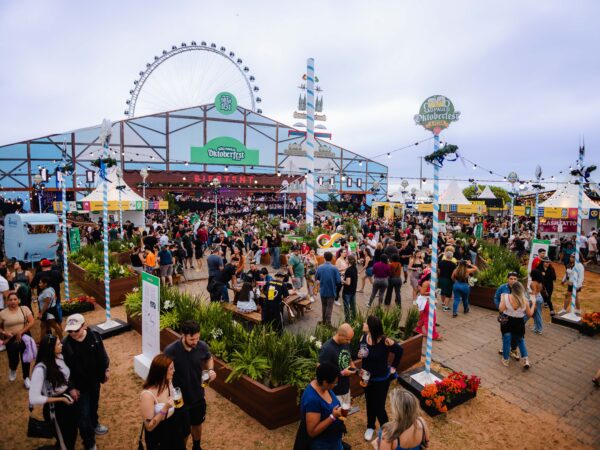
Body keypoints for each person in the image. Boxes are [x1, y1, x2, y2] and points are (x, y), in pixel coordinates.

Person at [164, 320, 216, 450]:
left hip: (198, 395)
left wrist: (210, 370)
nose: (195, 342)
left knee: (197, 423)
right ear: (183, 335)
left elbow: (209, 358)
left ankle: (196, 447)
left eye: (198, 338)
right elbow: (163, 372)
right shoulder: (171, 350)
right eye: (192, 339)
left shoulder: (202, 346)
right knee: (183, 430)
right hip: (180, 399)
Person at [61, 314, 110, 450]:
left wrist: (106, 370)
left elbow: (103, 355)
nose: (73, 333)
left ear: (84, 326)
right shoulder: (65, 345)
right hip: (78, 387)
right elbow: (63, 370)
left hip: (94, 381)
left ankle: (94, 424)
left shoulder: (94, 336)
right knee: (83, 415)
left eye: (76, 330)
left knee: (93, 405)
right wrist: (71, 387)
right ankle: (89, 443)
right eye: (70, 331)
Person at [359, 315, 403, 442]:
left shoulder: (385, 341)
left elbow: (399, 351)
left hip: (381, 380)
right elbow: (362, 353)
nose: (363, 324)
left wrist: (393, 367)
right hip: (366, 378)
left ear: (371, 327)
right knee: (369, 402)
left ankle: (387, 430)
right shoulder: (363, 338)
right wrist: (359, 354)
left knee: (379, 406)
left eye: (366, 323)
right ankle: (370, 426)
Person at [29, 334, 77, 450]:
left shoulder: (59, 357)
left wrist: (70, 389)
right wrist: (61, 399)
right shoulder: (40, 369)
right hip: (55, 408)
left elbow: (65, 377)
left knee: (72, 434)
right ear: (51, 348)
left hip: (66, 401)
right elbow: (34, 398)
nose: (62, 345)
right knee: (64, 440)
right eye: (58, 344)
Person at [140, 353, 185, 450]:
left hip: (174, 427)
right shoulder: (147, 395)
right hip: (159, 433)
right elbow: (149, 427)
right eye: (171, 368)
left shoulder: (168, 381)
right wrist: (165, 408)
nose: (174, 371)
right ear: (162, 372)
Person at [297, 362, 345, 450]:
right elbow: (312, 432)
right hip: (323, 444)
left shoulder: (323, 386)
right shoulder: (312, 400)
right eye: (334, 383)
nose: (335, 386)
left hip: (334, 440)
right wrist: (333, 416)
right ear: (325, 382)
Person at [0, 291, 35, 387]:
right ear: (7, 302)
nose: (13, 301)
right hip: (10, 338)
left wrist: (21, 332)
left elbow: (32, 322)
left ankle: (26, 378)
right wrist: (4, 333)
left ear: (18, 300)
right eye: (10, 300)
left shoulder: (24, 309)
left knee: (26, 358)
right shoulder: (2, 313)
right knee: (13, 358)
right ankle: (13, 368)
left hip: (24, 337)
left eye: (15, 299)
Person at [499, 281, 535, 369]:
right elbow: (530, 314)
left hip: (507, 321)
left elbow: (501, 309)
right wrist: (533, 304)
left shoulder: (506, 297)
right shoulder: (525, 300)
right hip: (519, 322)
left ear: (512, 289)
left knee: (506, 339)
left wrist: (501, 299)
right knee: (520, 340)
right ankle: (526, 360)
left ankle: (506, 359)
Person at [318, 323, 356, 408]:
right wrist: (342, 373)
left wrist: (354, 367)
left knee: (344, 414)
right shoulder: (327, 349)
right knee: (338, 418)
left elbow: (348, 357)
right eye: (347, 339)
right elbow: (322, 372)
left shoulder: (345, 343)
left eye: (350, 339)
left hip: (345, 388)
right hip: (334, 392)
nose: (349, 342)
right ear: (340, 335)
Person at [315, 252, 341, 327]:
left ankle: (323, 321)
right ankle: (328, 324)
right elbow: (338, 280)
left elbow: (316, 277)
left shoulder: (320, 267)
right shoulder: (334, 268)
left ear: (324, 258)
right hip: (331, 290)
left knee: (324, 306)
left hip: (322, 290)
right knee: (329, 307)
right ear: (332, 258)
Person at [414, 269, 440, 340]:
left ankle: (418, 329)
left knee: (423, 316)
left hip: (428, 300)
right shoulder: (426, 283)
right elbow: (422, 293)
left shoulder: (430, 282)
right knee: (431, 317)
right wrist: (431, 292)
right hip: (425, 301)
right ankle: (433, 335)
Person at [438, 248, 457, 312]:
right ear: (452, 257)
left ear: (446, 256)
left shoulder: (441, 262)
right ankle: (445, 307)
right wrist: (453, 280)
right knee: (448, 294)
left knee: (442, 292)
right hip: (448, 280)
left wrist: (439, 277)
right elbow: (453, 275)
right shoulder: (453, 265)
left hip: (441, 278)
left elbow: (438, 271)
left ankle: (443, 303)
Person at [341, 255, 358, 322]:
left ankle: (347, 321)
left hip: (347, 291)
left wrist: (342, 280)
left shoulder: (348, 270)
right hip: (353, 290)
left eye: (346, 259)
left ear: (349, 261)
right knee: (353, 306)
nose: (345, 260)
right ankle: (354, 319)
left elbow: (348, 283)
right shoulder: (355, 268)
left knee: (347, 307)